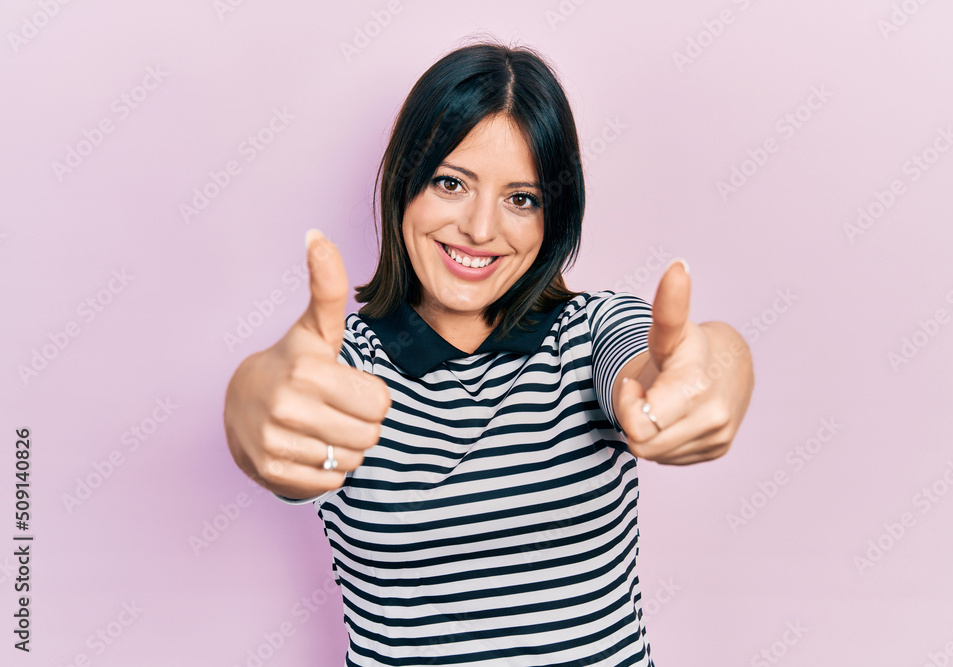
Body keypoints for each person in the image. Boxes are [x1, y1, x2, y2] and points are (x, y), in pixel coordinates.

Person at [223, 38, 754, 667]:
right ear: (404, 186)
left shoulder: (585, 337)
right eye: (451, 183)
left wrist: (709, 371)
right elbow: (273, 402)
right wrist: (250, 409)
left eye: (521, 199)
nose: (480, 229)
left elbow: (676, 355)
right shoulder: (345, 366)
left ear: (552, 219)